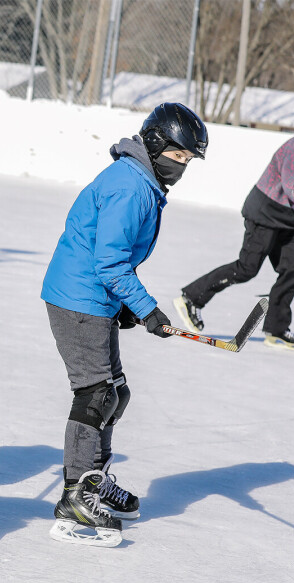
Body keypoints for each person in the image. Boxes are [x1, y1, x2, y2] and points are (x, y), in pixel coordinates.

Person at [41, 102, 208, 547]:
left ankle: (95, 480)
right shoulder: (131, 187)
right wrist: (147, 309)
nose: (181, 166)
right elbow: (110, 262)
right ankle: (77, 493)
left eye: (188, 161)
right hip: (79, 297)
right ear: (155, 145)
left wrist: (126, 305)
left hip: (95, 295)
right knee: (95, 394)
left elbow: (112, 260)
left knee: (116, 393)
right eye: (178, 156)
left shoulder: (141, 180)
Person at [173, 101, 294, 353]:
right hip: (266, 213)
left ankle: (277, 330)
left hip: (287, 220)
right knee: (246, 268)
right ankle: (191, 298)